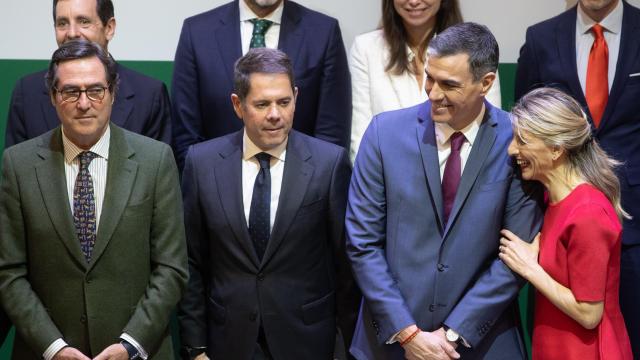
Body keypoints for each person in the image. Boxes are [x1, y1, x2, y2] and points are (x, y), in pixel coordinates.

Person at [346, 22, 543, 360]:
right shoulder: (383, 134)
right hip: (391, 340)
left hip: (482, 341)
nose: (433, 93)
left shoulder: (518, 140)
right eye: (429, 78)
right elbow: (362, 243)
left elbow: (516, 257)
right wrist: (408, 333)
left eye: (449, 84)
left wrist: (452, 334)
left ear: (486, 83)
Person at [0, 40, 188, 360]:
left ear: (113, 93)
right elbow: (9, 273)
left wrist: (130, 344)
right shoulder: (18, 165)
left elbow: (172, 269)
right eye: (71, 91)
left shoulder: (155, 161)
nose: (84, 103)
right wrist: (54, 348)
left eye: (96, 90)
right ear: (53, 98)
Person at [178, 48, 360, 360]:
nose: (275, 114)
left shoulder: (329, 164)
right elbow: (191, 262)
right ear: (238, 105)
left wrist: (343, 349)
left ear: (296, 97)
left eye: (284, 102)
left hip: (308, 342)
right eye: (262, 104)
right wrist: (196, 348)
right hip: (228, 342)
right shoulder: (202, 163)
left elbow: (346, 266)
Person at [514, 1, 640, 354]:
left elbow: (590, 315)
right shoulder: (541, 38)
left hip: (631, 219)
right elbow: (526, 121)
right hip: (557, 208)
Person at [500, 87, 632, 360]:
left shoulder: (588, 213)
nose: (512, 150)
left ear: (556, 149)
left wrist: (530, 269)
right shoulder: (553, 198)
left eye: (523, 140)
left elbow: (589, 314)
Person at [171, 0, 351, 170]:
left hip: (301, 190)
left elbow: (332, 133)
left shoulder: (323, 32)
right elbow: (186, 134)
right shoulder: (197, 32)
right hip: (216, 190)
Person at [349, 0, 502, 163]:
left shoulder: (475, 50)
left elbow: (489, 131)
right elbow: (361, 140)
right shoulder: (366, 48)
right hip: (390, 178)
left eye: (449, 84)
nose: (414, 2)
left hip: (461, 175)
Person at [5, 0, 172, 148]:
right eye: (62, 23)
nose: (72, 33)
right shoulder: (27, 93)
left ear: (109, 28)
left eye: (83, 21)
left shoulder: (150, 95)